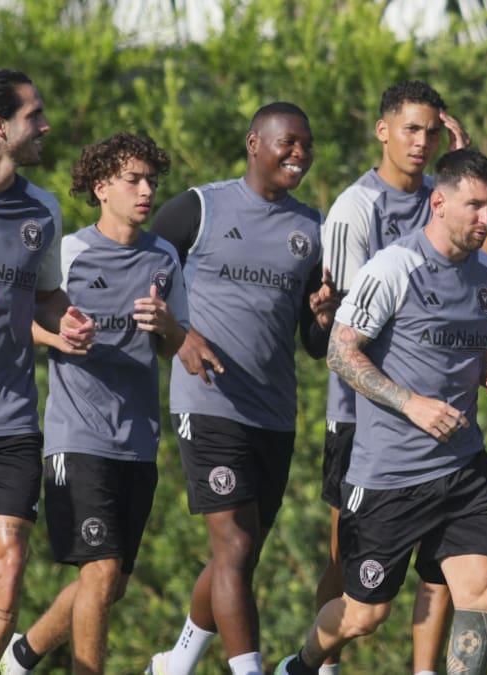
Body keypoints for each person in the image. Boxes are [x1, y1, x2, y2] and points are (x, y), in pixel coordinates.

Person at [274, 148, 487, 675]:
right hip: (389, 476)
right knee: (365, 615)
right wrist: (411, 404)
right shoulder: (394, 267)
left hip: (462, 468)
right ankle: (301, 665)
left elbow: (483, 352)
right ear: (439, 203)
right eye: (474, 206)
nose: (486, 219)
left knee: (481, 593)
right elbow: (340, 352)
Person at [145, 101, 339, 675]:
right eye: (288, 142)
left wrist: (323, 318)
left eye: (307, 144)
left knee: (241, 553)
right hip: (207, 402)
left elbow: (311, 343)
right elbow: (141, 277)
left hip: (273, 413)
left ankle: (176, 662)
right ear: (255, 143)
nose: (300, 154)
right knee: (232, 547)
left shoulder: (314, 229)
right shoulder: (197, 209)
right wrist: (180, 337)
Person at [0, 133, 187, 675]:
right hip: (76, 438)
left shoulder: (164, 257)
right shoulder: (70, 251)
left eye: (152, 180)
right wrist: (56, 338)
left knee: (109, 585)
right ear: (102, 187)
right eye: (134, 180)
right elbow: (17, 316)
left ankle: (24, 652)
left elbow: (181, 343)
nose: (147, 190)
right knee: (100, 575)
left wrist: (168, 327)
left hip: (138, 441)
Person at [315, 79, 477, 675]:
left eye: (434, 131)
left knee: (442, 563)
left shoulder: (448, 197)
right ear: (382, 130)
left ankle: (425, 668)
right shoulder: (358, 208)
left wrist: (463, 164)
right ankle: (319, 664)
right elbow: (345, 328)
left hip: (439, 422)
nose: (423, 141)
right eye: (411, 128)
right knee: (350, 569)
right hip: (362, 417)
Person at [0, 68, 95, 674]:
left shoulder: (42, 209)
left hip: (7, 417)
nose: (45, 125)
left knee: (8, 570)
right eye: (33, 115)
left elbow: (45, 299)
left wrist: (68, 322)